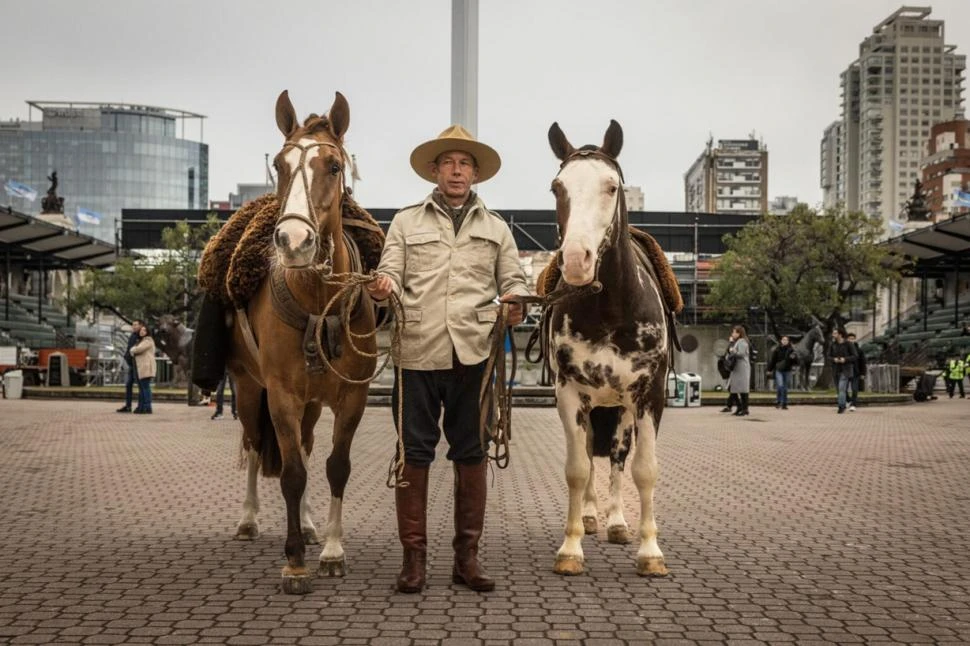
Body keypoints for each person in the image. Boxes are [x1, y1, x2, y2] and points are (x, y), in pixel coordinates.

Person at [366, 124, 529, 594]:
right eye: (449, 163)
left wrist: (515, 301)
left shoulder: (496, 227)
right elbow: (391, 271)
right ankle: (413, 561)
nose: (457, 171)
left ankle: (466, 559)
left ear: (475, 174)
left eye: (465, 164)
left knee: (472, 452)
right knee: (413, 454)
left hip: (474, 356)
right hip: (417, 351)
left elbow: (512, 278)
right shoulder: (404, 221)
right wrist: (384, 286)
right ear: (435, 171)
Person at [116, 319, 143, 412]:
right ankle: (128, 406)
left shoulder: (141, 336)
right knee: (128, 385)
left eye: (136, 325)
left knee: (141, 386)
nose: (134, 326)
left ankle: (141, 406)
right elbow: (129, 348)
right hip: (131, 364)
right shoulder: (132, 335)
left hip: (138, 364)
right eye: (133, 325)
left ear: (140, 326)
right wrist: (127, 357)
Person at [829, 328, 857, 414]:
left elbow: (855, 356)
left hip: (846, 370)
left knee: (841, 388)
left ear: (840, 335)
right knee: (839, 389)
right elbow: (828, 356)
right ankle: (844, 403)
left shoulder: (848, 344)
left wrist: (845, 359)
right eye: (833, 333)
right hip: (836, 369)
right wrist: (834, 359)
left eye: (835, 333)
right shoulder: (832, 345)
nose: (833, 335)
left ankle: (841, 406)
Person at [129, 325, 157, 415]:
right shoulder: (141, 340)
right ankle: (141, 407)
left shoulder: (148, 340)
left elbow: (138, 349)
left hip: (146, 367)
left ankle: (147, 407)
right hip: (141, 367)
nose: (142, 331)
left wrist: (132, 349)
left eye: (144, 330)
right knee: (141, 388)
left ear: (148, 332)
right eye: (141, 330)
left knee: (145, 387)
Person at [767, 335, 798, 410]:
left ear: (788, 341)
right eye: (783, 340)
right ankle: (778, 401)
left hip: (787, 370)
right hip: (779, 370)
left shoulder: (791, 350)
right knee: (780, 385)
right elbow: (773, 360)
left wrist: (793, 358)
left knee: (785, 387)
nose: (784, 341)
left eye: (786, 340)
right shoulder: (777, 350)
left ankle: (784, 403)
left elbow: (796, 361)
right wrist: (769, 370)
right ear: (781, 341)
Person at [726, 325, 750, 416]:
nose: (732, 334)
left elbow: (741, 353)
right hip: (737, 368)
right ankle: (740, 407)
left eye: (734, 332)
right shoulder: (737, 342)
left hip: (742, 368)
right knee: (734, 388)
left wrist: (733, 351)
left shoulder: (742, 342)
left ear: (739, 333)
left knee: (742, 388)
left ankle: (744, 408)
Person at [846, 332, 866, 411]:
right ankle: (849, 400)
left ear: (855, 340)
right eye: (849, 339)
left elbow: (863, 362)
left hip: (855, 372)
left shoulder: (859, 350)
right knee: (843, 389)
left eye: (852, 339)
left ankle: (853, 404)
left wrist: (863, 373)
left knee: (855, 389)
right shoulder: (844, 349)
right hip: (846, 372)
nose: (851, 340)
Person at [718, 336, 738, 413]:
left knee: (732, 389)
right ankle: (730, 405)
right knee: (731, 389)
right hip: (728, 369)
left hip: (731, 370)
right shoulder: (731, 346)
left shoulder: (733, 346)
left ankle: (735, 405)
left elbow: (731, 357)